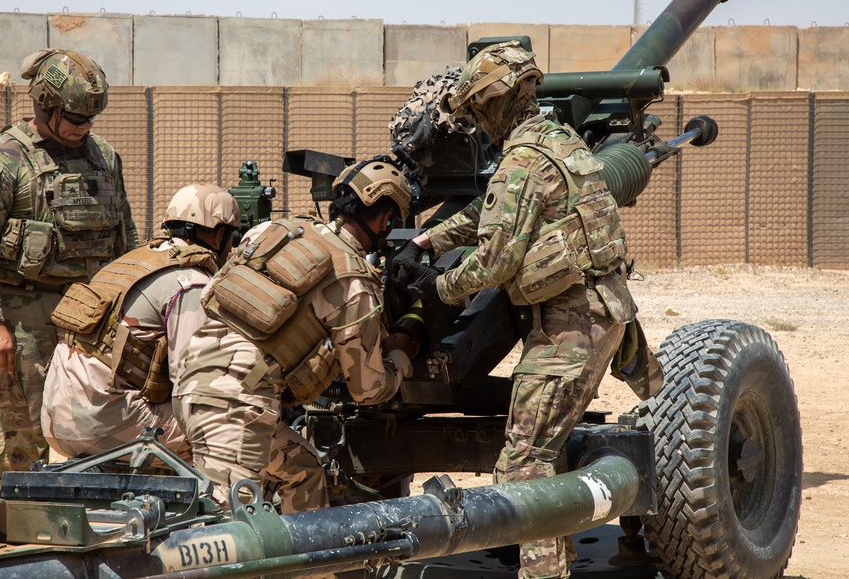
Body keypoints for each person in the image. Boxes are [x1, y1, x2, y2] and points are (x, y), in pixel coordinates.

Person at [390, 40, 662, 579]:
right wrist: (425, 242)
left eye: (477, 109)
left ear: (496, 102)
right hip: (600, 315)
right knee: (541, 455)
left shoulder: (521, 160)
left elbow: (492, 262)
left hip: (569, 330)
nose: (475, 122)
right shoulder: (555, 142)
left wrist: (435, 285)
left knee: (523, 467)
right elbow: (487, 212)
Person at [174, 156, 420, 513]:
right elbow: (367, 389)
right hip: (237, 408)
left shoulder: (273, 231)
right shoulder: (354, 283)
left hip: (192, 383)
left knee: (301, 472)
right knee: (228, 534)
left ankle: (313, 569)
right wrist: (400, 357)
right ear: (385, 220)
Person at [0, 48, 138, 496]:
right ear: (46, 105)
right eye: (75, 117)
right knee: (22, 441)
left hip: (91, 317)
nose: (84, 128)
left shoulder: (104, 157)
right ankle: (8, 530)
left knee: (102, 428)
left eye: (90, 119)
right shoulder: (3, 159)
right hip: (24, 318)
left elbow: (126, 239)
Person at [41, 184, 239, 460]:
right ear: (220, 236)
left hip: (56, 424)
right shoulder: (192, 282)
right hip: (103, 428)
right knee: (236, 430)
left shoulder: (132, 262)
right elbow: (191, 383)